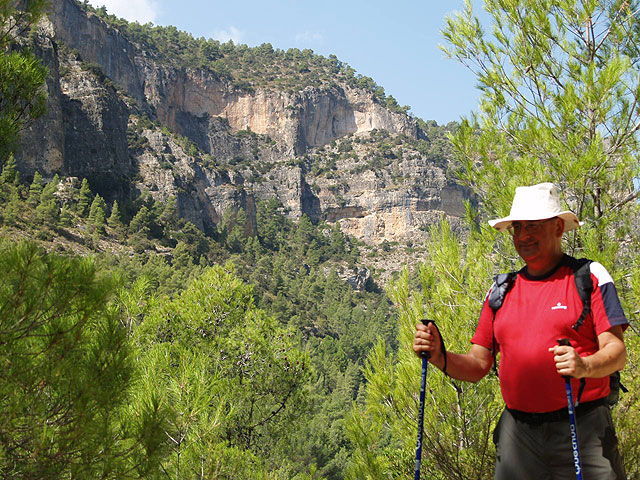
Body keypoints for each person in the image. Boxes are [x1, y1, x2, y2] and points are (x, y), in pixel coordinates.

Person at [413, 183, 628, 480]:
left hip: (584, 429)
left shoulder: (588, 277)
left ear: (557, 228)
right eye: (518, 228)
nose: (523, 236)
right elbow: (478, 365)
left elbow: (616, 353)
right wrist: (439, 355)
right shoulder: (501, 290)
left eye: (533, 226)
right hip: (518, 437)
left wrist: (584, 366)